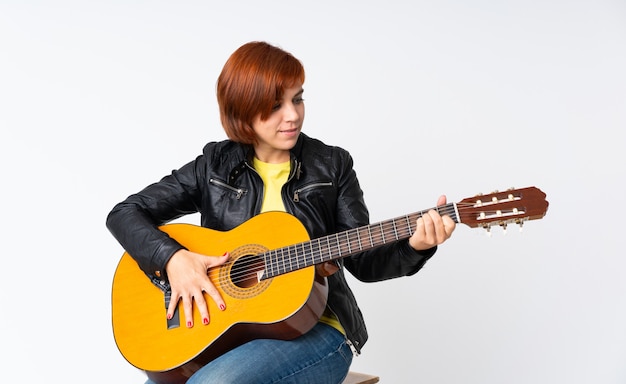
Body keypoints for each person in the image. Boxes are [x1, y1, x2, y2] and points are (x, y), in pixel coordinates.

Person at [106, 41, 456, 384]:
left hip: (319, 330)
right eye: (275, 105)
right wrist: (173, 258)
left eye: (297, 98)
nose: (293, 115)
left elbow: (364, 263)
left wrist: (416, 247)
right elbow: (125, 213)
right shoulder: (214, 165)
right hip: (229, 333)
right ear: (242, 109)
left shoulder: (332, 166)